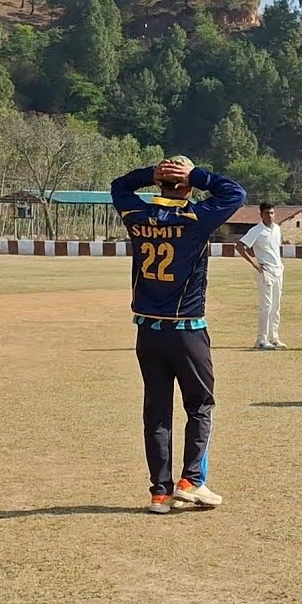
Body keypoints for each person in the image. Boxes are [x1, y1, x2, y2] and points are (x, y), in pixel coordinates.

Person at [111, 155, 246, 514]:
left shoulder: (137, 215)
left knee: (157, 411)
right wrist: (198, 175)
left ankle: (159, 493)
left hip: (147, 330)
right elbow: (235, 193)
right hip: (187, 329)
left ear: (160, 183)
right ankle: (191, 481)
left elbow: (119, 186)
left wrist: (149, 173)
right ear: (187, 187)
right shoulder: (196, 218)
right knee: (200, 406)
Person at [237, 202, 286, 350]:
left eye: (272, 213)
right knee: (266, 306)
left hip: (278, 270)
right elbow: (240, 246)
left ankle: (274, 337)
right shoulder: (256, 230)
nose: (270, 216)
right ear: (261, 215)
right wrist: (254, 263)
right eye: (266, 213)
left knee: (276, 306)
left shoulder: (277, 229)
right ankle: (261, 340)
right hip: (266, 272)